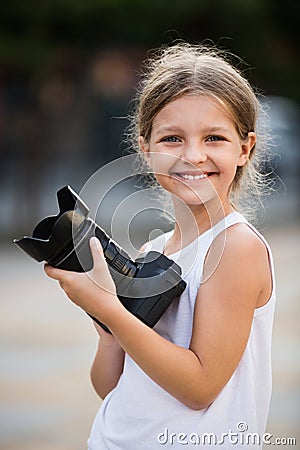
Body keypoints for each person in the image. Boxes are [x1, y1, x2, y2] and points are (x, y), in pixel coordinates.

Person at [45, 43, 276, 449]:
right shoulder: (156, 249)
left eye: (214, 138)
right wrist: (107, 331)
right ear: (145, 148)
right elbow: (112, 387)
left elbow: (199, 387)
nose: (193, 155)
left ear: (245, 148)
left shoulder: (235, 247)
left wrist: (109, 309)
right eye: (171, 138)